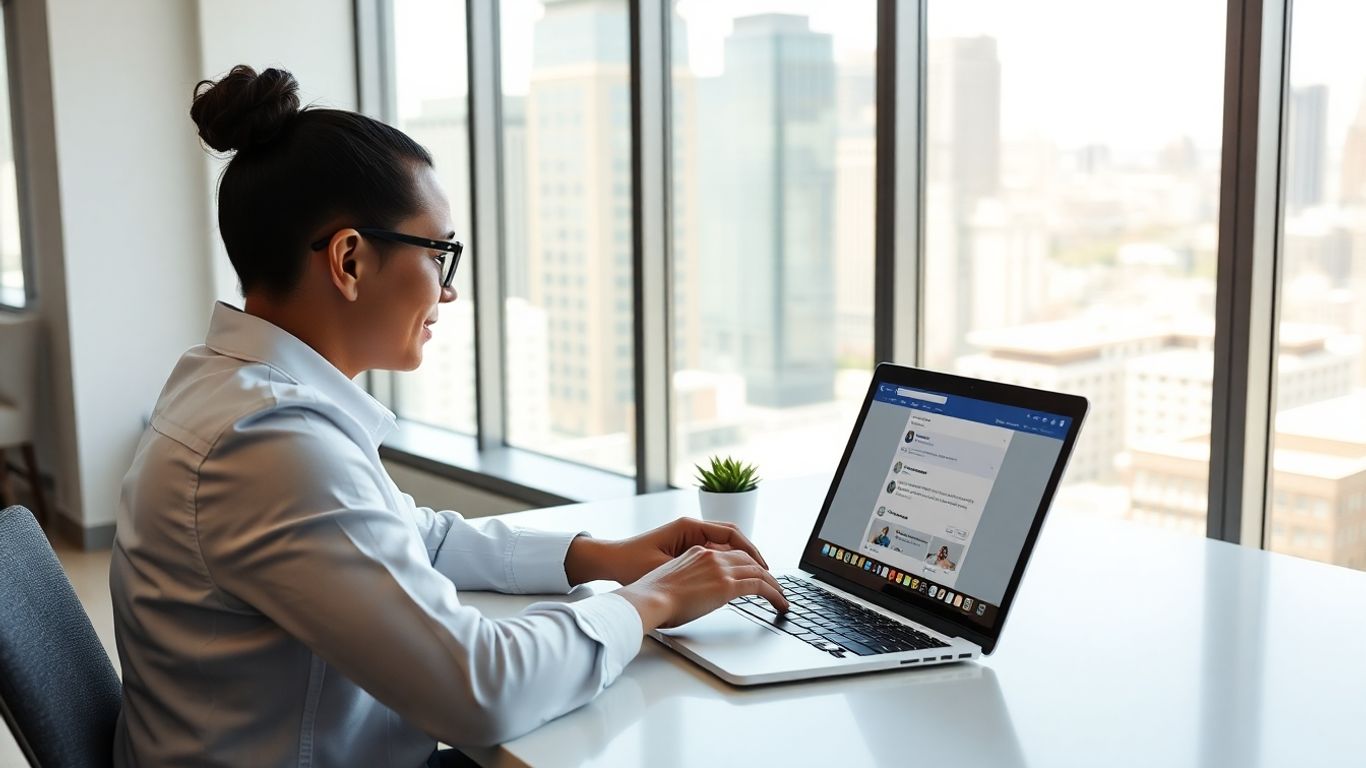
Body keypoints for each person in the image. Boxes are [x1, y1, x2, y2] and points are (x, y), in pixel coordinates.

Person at [108, 65, 788, 768]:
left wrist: (598, 558)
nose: (450, 291)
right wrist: (650, 602)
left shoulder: (236, 392)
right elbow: (479, 688)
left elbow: (412, 536)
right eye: (440, 254)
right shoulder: (269, 444)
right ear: (349, 259)